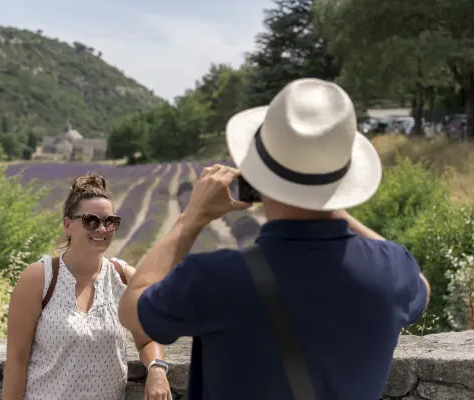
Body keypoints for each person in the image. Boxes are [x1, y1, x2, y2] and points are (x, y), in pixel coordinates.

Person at [118, 78, 431, 400]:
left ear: (256, 174)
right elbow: (421, 283)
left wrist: (192, 216)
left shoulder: (215, 278)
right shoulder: (392, 270)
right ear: (343, 179)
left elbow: (131, 310)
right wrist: (327, 202)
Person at [2, 174, 172, 400]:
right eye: (90, 221)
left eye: (109, 221)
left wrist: (157, 368)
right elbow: (17, 359)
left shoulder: (124, 279)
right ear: (67, 225)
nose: (101, 229)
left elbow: (148, 339)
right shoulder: (40, 278)